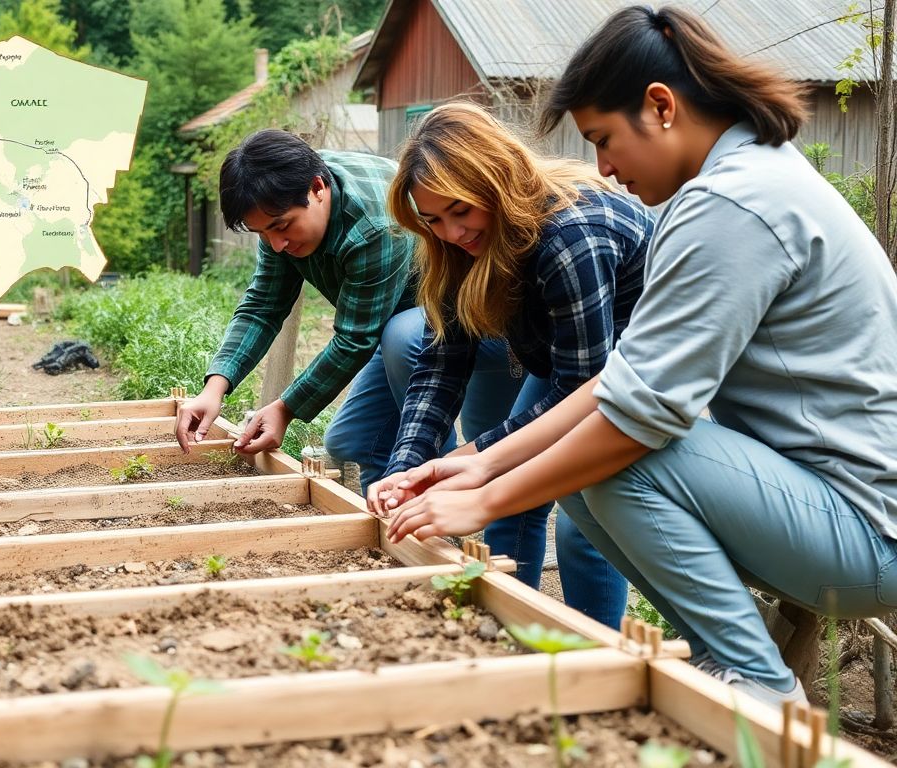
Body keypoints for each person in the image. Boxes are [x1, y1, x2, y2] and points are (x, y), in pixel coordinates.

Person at [384, 5, 897, 706]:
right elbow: (619, 384)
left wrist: (486, 500)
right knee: (590, 472)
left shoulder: (733, 205)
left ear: (660, 107)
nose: (602, 166)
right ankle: (729, 663)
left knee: (624, 460)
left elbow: (634, 416)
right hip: (829, 510)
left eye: (603, 138)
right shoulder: (739, 182)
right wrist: (475, 462)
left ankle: (760, 687)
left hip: (866, 531)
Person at [366, 102, 653, 628]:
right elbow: (441, 363)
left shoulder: (570, 235)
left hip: (638, 375)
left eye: (461, 211)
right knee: (512, 494)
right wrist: (407, 466)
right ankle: (513, 627)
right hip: (571, 362)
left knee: (586, 517)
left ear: (495, 182)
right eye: (432, 220)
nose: (451, 233)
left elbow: (582, 387)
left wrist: (475, 454)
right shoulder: (455, 248)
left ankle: (597, 652)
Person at [175, 129, 427, 487]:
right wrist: (214, 389)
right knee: (355, 440)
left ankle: (432, 523)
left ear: (318, 189)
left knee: (423, 444)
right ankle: (390, 521)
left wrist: (285, 408)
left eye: (281, 227)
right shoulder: (281, 198)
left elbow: (355, 339)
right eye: (261, 233)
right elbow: (263, 306)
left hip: (444, 316)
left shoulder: (374, 227)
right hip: (389, 324)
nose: (276, 244)